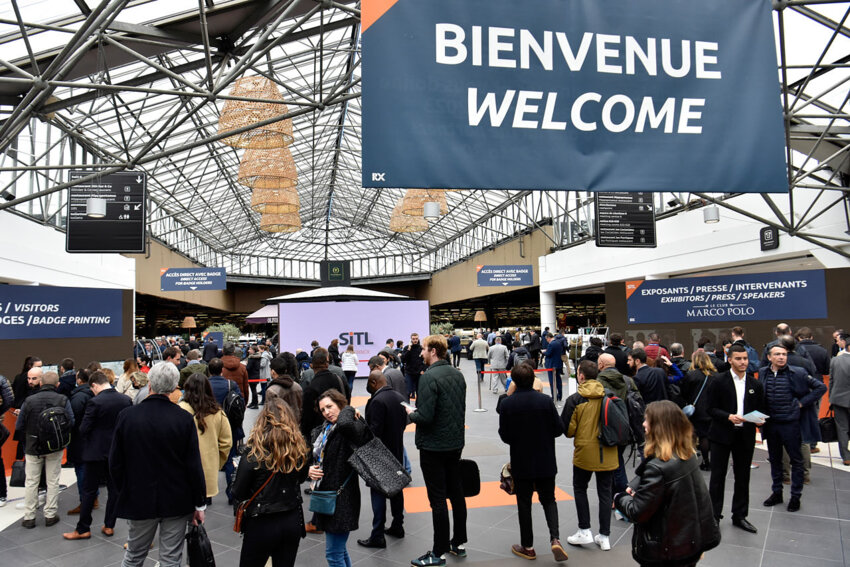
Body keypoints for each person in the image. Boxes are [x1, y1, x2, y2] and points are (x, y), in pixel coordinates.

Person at [110, 362, 206, 567]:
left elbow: (115, 462)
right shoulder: (184, 418)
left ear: (149, 384)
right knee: (171, 558)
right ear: (174, 387)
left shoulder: (127, 416)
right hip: (177, 499)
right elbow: (193, 464)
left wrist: (123, 490)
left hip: (139, 496)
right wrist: (199, 503)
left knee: (134, 555)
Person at [614, 401, 720, 567]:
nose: (643, 424)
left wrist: (620, 497)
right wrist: (637, 484)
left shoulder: (657, 468)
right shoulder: (687, 453)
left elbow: (637, 512)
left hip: (667, 551)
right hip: (689, 542)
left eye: (647, 420)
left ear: (659, 427)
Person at [405, 334, 468, 567]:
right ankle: (458, 542)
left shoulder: (429, 377)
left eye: (423, 349)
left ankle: (438, 552)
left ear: (433, 351)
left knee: (438, 499)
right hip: (455, 442)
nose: (421, 353)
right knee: (456, 493)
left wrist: (411, 414)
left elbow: (426, 416)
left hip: (433, 446)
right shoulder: (457, 374)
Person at [498, 363, 568, 562]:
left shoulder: (507, 404)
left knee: (524, 503)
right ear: (533, 379)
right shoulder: (545, 401)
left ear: (514, 381)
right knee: (549, 499)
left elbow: (505, 435)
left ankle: (528, 546)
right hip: (545, 458)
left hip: (521, 461)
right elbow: (559, 428)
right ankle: (555, 538)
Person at [233, 399, 310, 567]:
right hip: (291, 518)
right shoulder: (299, 450)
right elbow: (301, 478)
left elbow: (238, 491)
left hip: (261, 522)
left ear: (262, 421)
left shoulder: (253, 453)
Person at [62, 371, 132, 540]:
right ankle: (109, 525)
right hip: (117, 453)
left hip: (95, 453)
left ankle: (83, 528)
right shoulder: (125, 400)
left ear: (94, 385)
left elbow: (84, 428)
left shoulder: (95, 402)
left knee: (89, 491)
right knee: (114, 490)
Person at [706, 344, 764, 534]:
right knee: (717, 477)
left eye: (745, 358)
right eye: (738, 359)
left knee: (743, 476)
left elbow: (762, 408)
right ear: (730, 360)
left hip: (745, 435)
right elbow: (710, 408)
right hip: (721, 434)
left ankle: (740, 515)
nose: (743, 362)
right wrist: (728, 416)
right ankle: (714, 516)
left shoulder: (755, 384)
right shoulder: (718, 380)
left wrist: (760, 419)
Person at [760, 343, 826, 512]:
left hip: (791, 424)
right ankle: (777, 492)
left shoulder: (798, 372)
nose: (781, 357)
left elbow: (821, 387)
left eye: (784, 354)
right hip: (771, 424)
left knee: (796, 461)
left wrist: (802, 403)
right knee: (775, 460)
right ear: (769, 357)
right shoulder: (763, 373)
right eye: (777, 354)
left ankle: (795, 496)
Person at [307, 389, 369, 567]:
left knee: (333, 555)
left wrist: (348, 409)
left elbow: (346, 425)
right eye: (323, 409)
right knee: (339, 551)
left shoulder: (351, 424)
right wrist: (309, 470)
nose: (326, 412)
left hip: (342, 498)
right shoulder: (326, 429)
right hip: (328, 496)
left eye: (330, 406)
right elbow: (314, 455)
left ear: (340, 404)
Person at [561, 360, 617, 552]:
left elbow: (568, 430)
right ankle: (605, 536)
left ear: (581, 376)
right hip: (608, 451)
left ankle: (584, 530)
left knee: (580, 488)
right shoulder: (608, 396)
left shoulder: (575, 399)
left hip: (584, 452)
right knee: (605, 493)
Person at [15, 368, 74, 529]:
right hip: (54, 446)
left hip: (32, 446)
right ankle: (50, 514)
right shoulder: (63, 400)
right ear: (57, 384)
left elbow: (19, 425)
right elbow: (71, 421)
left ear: (41, 383)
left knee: (31, 482)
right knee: (52, 481)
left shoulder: (29, 401)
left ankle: (29, 517)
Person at [357, 369, 408, 548]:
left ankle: (377, 534)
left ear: (374, 382)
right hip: (396, 450)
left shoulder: (377, 401)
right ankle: (398, 525)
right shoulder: (398, 397)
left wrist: (361, 426)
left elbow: (374, 432)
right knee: (396, 489)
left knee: (377, 492)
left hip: (380, 454)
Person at [179, 373, 233, 503]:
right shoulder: (217, 412)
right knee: (203, 503)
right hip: (208, 470)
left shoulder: (179, 410)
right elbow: (226, 442)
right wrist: (216, 463)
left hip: (182, 471)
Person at [208, 357, 244, 504]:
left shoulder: (205, 385)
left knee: (207, 459)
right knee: (230, 459)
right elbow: (240, 402)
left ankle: (207, 495)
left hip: (209, 426)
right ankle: (231, 493)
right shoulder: (231, 384)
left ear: (209, 370)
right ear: (222, 370)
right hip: (228, 425)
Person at [301, 348, 351, 439]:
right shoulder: (339, 380)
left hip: (320, 435)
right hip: (342, 428)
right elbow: (347, 399)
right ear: (327, 364)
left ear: (311, 366)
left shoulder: (310, 388)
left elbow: (307, 416)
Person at [681, 351, 717, 471]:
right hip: (713, 409)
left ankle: (705, 461)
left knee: (702, 436)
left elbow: (684, 393)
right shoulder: (715, 375)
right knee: (712, 436)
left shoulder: (691, 375)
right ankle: (714, 461)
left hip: (698, 410)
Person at [67, 369, 95, 515]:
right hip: (91, 439)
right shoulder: (94, 394)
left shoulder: (78, 397)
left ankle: (85, 502)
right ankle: (93, 498)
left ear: (79, 380)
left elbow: (73, 419)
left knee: (81, 470)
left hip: (79, 439)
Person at [830, 333, 850, 466]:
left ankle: (846, 457)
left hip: (838, 399)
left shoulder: (835, 360)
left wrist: (831, 398)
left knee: (842, 429)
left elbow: (831, 380)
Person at [268, 358, 304, 423]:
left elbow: (270, 413)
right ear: (285, 370)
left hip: (280, 426)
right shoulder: (298, 386)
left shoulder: (271, 391)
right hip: (296, 424)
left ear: (273, 371)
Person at [401, 333, 425, 400]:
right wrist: (409, 350)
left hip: (419, 373)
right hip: (409, 373)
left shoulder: (421, 348)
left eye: (416, 339)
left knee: (419, 392)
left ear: (418, 339)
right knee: (408, 392)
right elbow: (403, 360)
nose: (415, 340)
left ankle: (418, 406)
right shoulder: (407, 348)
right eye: (413, 339)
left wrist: (423, 369)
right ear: (411, 339)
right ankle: (407, 405)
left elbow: (425, 360)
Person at [544, 333, 566, 402]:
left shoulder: (551, 344)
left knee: (552, 381)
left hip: (551, 365)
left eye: (546, 339)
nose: (547, 340)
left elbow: (548, 354)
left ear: (548, 338)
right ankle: (560, 395)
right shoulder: (558, 343)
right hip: (558, 364)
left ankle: (554, 396)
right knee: (558, 380)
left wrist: (544, 352)